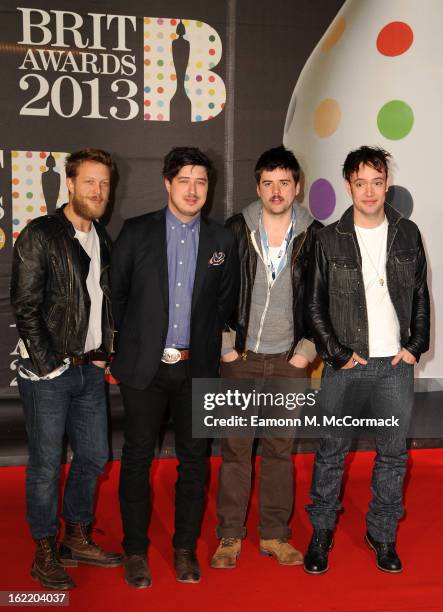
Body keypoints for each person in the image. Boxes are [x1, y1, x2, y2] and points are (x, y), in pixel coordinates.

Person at [110, 146, 239, 588]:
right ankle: (134, 551)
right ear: (167, 183)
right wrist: (136, 344)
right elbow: (119, 296)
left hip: (196, 369)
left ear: (209, 188)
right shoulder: (136, 232)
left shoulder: (223, 242)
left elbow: (225, 306)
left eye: (201, 181)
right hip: (144, 371)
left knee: (195, 461)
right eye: (183, 180)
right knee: (137, 459)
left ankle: (184, 547)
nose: (192, 189)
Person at [303, 146, 430, 574]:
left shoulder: (408, 233)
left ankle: (382, 534)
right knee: (331, 451)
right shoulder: (326, 238)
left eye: (377, 181)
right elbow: (314, 306)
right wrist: (337, 355)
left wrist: (415, 346)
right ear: (348, 186)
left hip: (395, 366)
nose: (370, 191)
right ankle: (321, 532)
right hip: (347, 365)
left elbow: (419, 296)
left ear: (386, 183)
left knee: (393, 454)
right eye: (361, 183)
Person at [10, 148, 122, 591]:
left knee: (94, 456)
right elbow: (26, 305)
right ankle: (44, 547)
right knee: (44, 464)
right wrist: (48, 364)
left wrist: (105, 353)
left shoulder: (103, 238)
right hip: (48, 373)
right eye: (90, 181)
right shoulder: (41, 234)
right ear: (69, 183)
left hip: (90, 368)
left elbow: (103, 304)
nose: (98, 191)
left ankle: (75, 536)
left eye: (105, 183)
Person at [211, 145, 322, 569]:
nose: (276, 191)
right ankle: (229, 536)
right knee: (236, 451)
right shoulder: (235, 229)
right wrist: (226, 346)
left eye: (284, 183)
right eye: (267, 183)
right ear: (258, 186)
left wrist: (306, 353)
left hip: (288, 363)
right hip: (239, 359)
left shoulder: (316, 235)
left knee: (279, 451)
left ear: (297, 186)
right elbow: (217, 292)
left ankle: (275, 535)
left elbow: (322, 299)